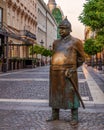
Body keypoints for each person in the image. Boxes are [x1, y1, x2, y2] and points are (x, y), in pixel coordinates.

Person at [48, 17, 85, 126]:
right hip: (55, 72)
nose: (61, 31)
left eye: (64, 28)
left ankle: (74, 117)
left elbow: (81, 58)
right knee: (55, 93)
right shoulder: (56, 42)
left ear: (69, 29)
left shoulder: (76, 42)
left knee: (71, 94)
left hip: (69, 73)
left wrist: (73, 69)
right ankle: (55, 114)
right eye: (60, 28)